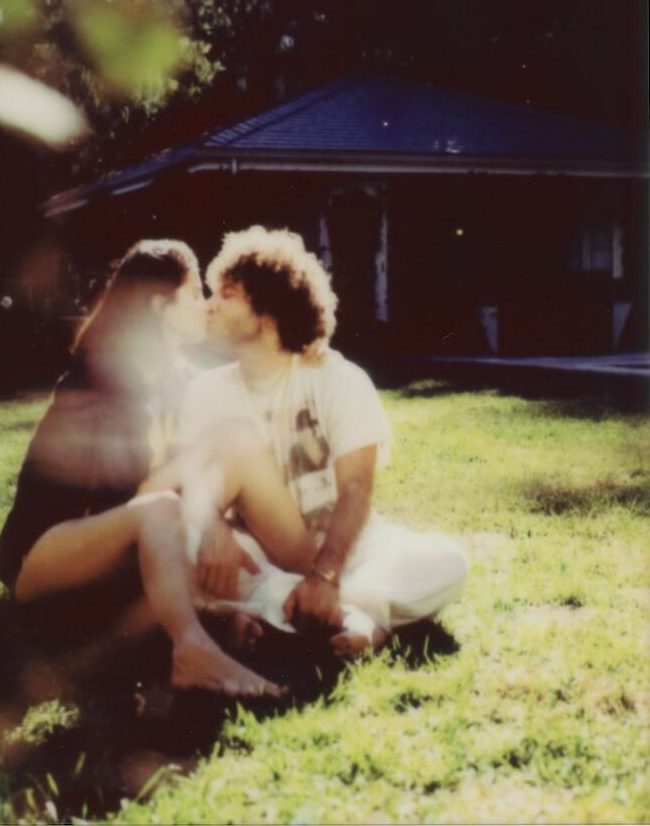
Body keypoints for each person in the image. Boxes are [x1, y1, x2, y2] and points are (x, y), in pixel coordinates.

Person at [152, 226, 468, 657]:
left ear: (268, 310)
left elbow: (356, 487)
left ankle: (291, 609)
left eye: (227, 294)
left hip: (349, 549)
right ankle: (354, 616)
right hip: (256, 555)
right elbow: (185, 486)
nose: (210, 305)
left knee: (449, 562)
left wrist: (325, 575)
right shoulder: (204, 392)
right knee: (182, 545)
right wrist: (214, 528)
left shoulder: (339, 378)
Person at [0, 238, 283, 697]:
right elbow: (133, 505)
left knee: (220, 459)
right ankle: (191, 650)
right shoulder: (106, 379)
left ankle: (296, 595)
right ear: (160, 307)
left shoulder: (173, 376)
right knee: (163, 508)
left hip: (107, 538)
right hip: (41, 557)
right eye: (194, 294)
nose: (205, 305)